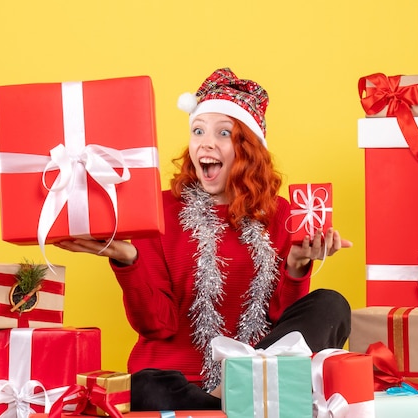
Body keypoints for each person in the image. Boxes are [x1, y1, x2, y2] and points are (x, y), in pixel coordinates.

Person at [55, 67, 353, 410]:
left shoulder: (282, 214)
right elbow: (158, 325)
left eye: (223, 133)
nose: (205, 143)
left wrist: (297, 268)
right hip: (183, 382)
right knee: (143, 386)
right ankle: (234, 403)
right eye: (198, 131)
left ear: (248, 149)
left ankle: (242, 387)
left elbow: (283, 327)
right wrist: (129, 261)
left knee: (332, 304)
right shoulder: (159, 211)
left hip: (260, 370)